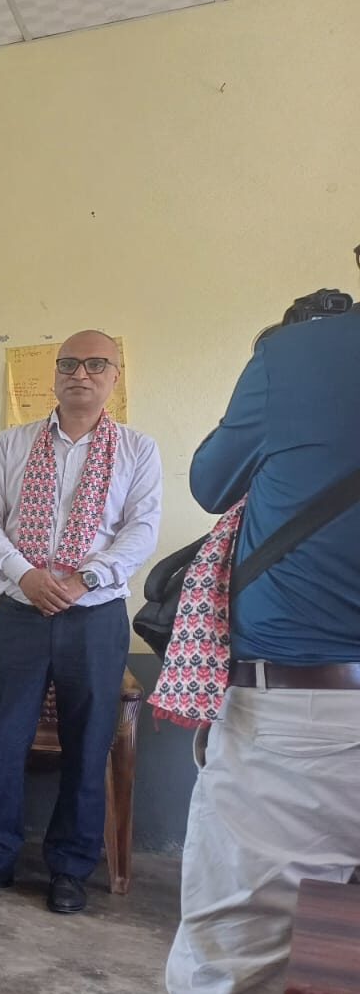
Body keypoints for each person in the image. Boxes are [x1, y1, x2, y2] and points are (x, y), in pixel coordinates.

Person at [163, 303, 360, 993]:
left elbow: (211, 481)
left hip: (304, 727)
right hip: (314, 714)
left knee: (237, 968)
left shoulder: (297, 356)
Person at [0, 330, 162, 914]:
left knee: (88, 742)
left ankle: (71, 869)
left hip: (94, 618)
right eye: (69, 364)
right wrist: (24, 574)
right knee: (0, 738)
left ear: (114, 376)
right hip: (20, 614)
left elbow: (142, 529)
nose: (81, 374)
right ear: (53, 375)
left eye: (96, 364)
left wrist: (85, 579)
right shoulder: (12, 444)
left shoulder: (138, 449)